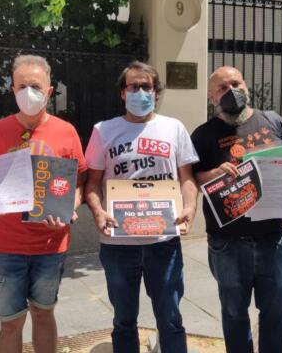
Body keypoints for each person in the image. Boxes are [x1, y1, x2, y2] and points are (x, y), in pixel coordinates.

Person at [0, 55, 87, 353]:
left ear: (49, 90)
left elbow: (80, 181)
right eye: (21, 85)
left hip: (51, 244)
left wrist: (69, 207)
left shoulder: (67, 131)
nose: (28, 92)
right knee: (10, 322)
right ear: (12, 89)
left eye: (35, 85)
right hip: (8, 246)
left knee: (44, 314)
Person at [84, 61, 199, 353]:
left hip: (164, 242)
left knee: (171, 319)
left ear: (156, 92)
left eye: (146, 86)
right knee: (124, 320)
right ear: (123, 93)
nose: (140, 92)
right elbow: (93, 183)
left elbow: (186, 178)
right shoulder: (103, 130)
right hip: (118, 243)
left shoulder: (173, 128)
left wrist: (190, 207)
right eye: (133, 86)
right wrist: (98, 211)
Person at [190, 66, 282, 353]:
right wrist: (214, 173)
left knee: (277, 314)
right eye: (221, 88)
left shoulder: (272, 120)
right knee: (234, 315)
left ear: (246, 85)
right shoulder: (203, 135)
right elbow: (192, 179)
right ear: (211, 96)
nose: (231, 91)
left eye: (235, 83)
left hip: (273, 238)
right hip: (227, 243)